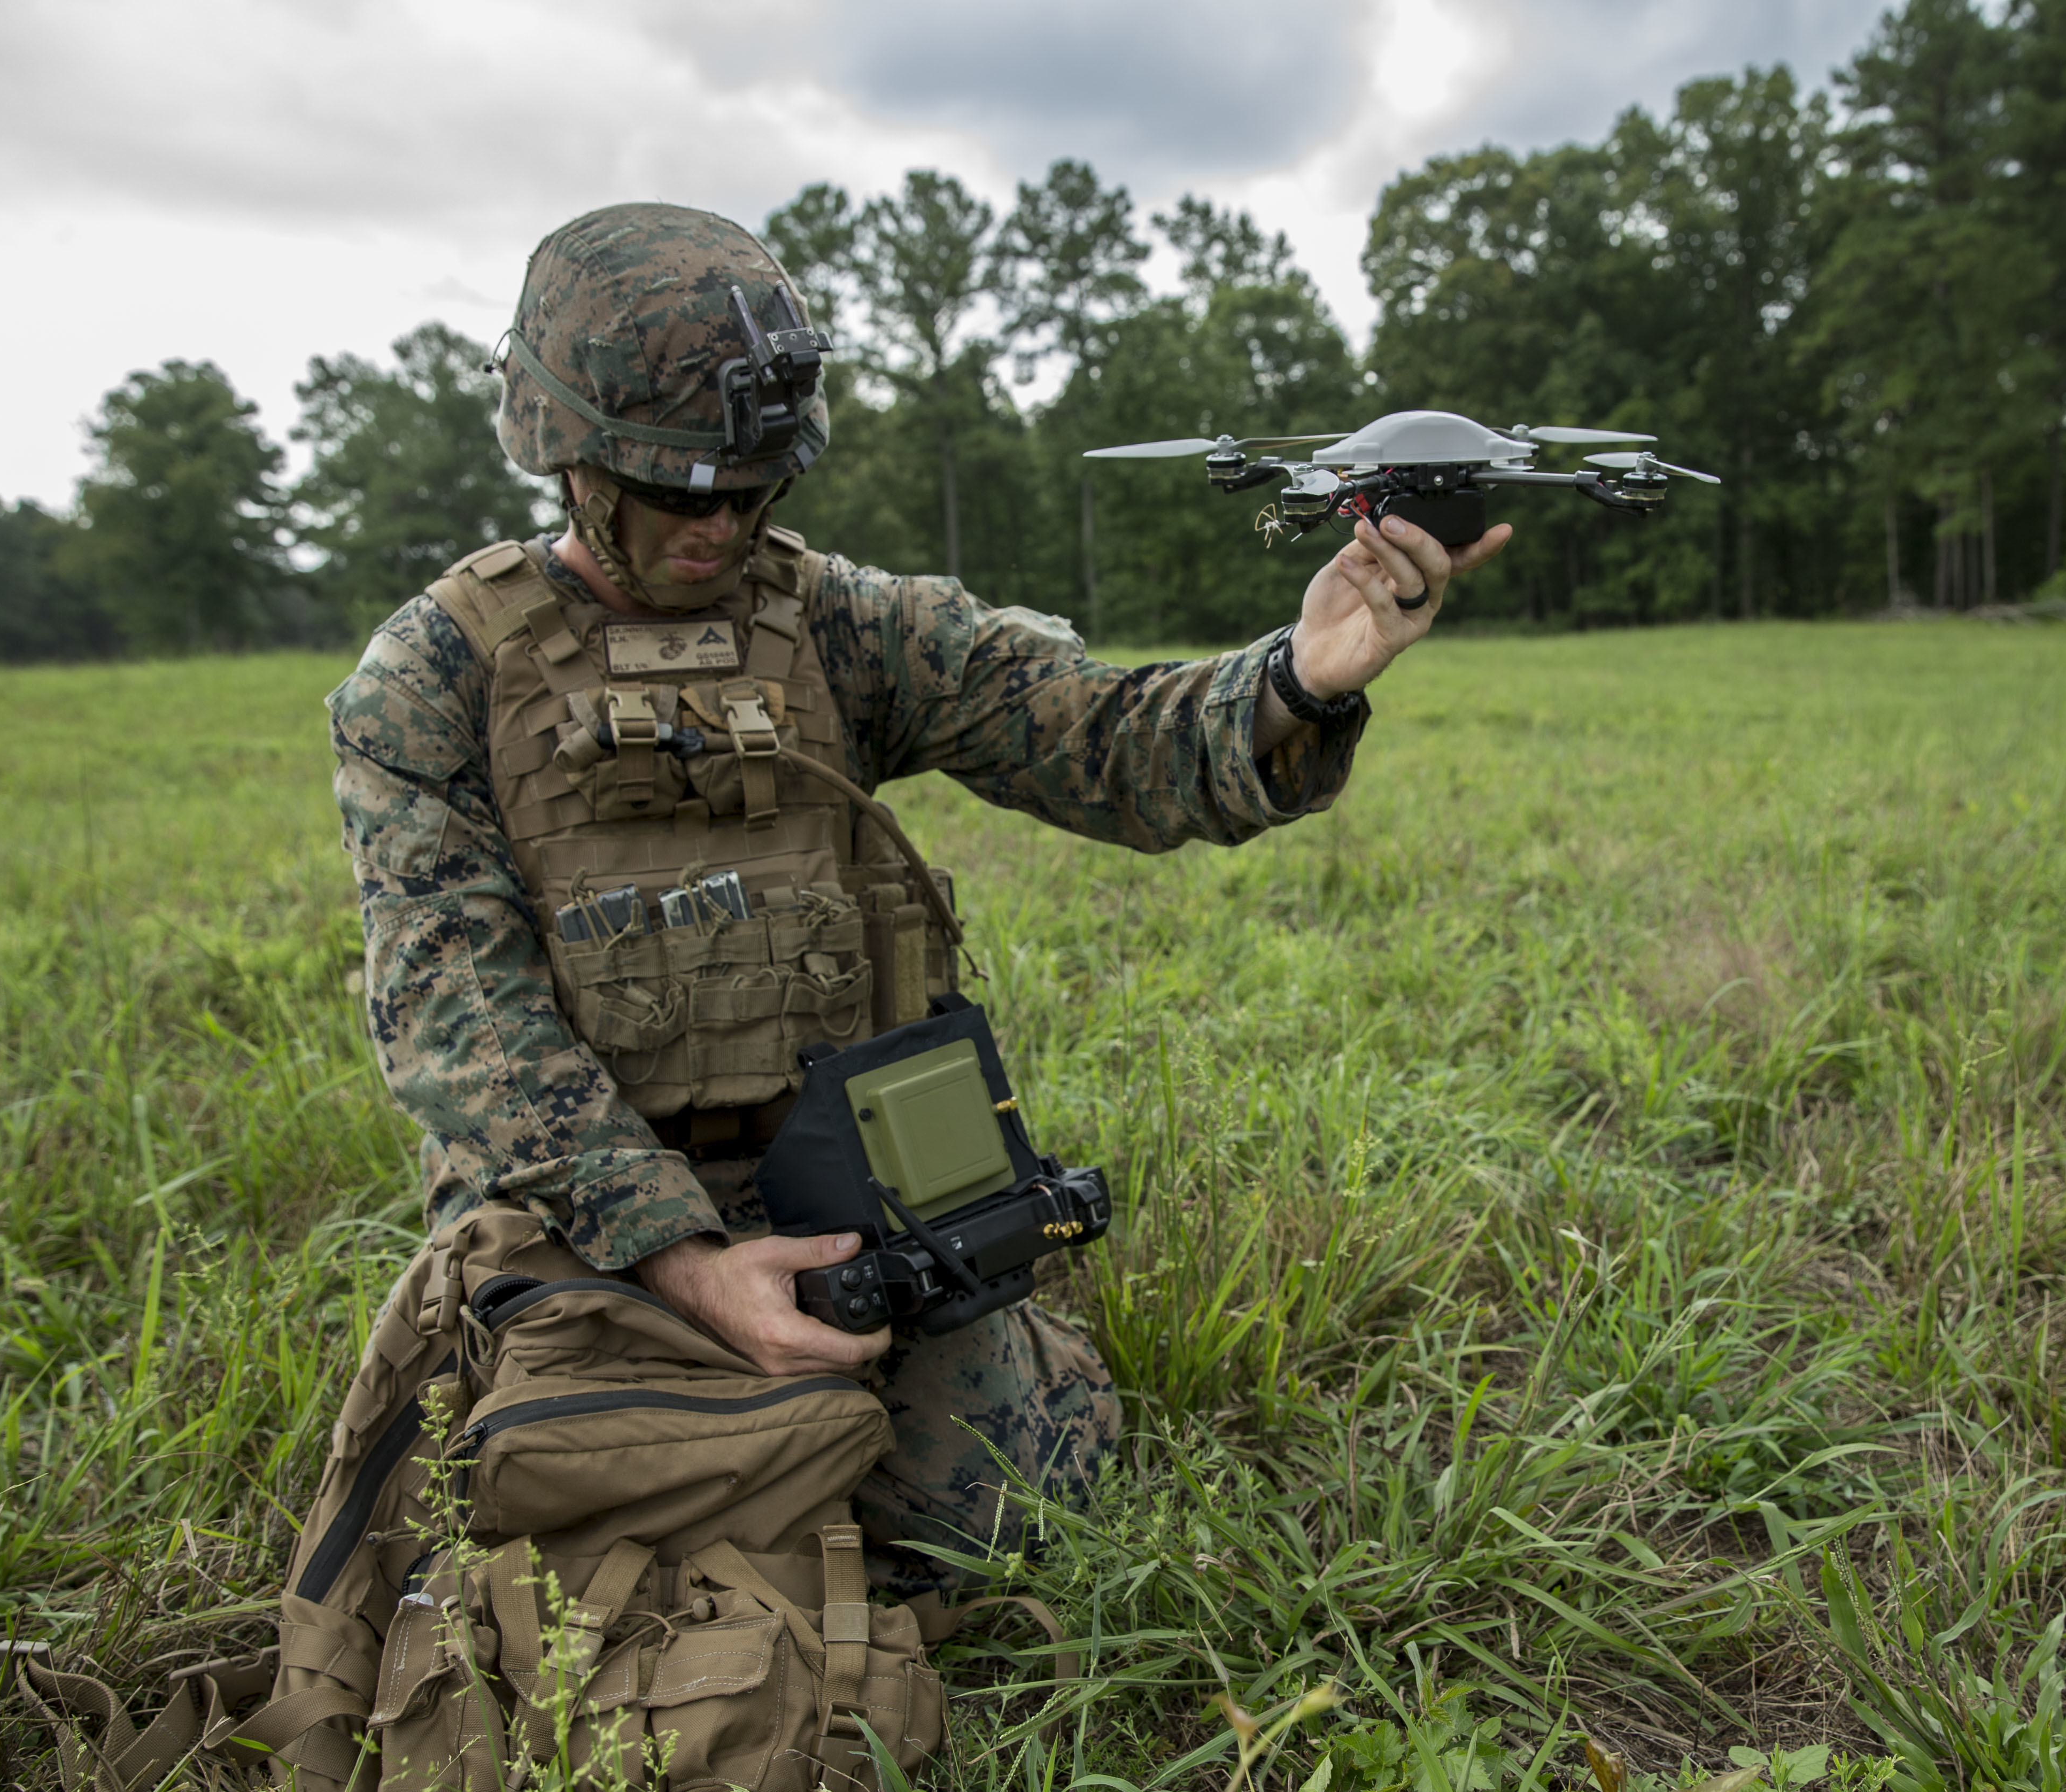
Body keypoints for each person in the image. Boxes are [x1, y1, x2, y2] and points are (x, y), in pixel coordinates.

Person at [326, 201, 1509, 1594]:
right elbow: (457, 1015)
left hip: (832, 1183)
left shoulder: (844, 628)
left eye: (749, 487)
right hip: (586, 1220)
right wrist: (684, 1261)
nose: (718, 523)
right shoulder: (436, 677)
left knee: (1001, 1520)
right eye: (674, 488)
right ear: (564, 453)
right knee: (570, 1554)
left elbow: (1104, 735)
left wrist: (1303, 677)